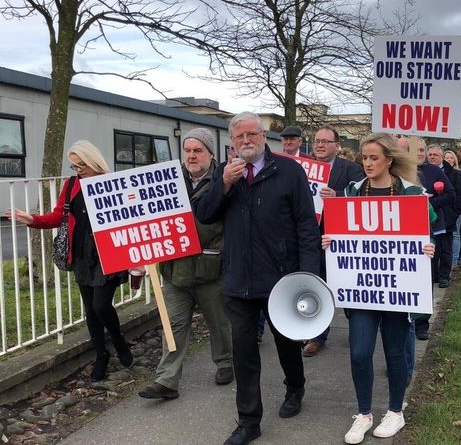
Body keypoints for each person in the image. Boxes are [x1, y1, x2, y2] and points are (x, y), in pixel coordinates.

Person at [195, 112, 320, 445]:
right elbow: (204, 215)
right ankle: (249, 422)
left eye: (251, 134)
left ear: (264, 137)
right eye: (238, 137)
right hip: (239, 278)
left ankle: (295, 388)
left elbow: (307, 225)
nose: (245, 140)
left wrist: (308, 274)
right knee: (244, 351)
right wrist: (224, 185)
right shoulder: (225, 173)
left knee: (286, 343)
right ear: (231, 142)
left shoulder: (289, 170)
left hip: (281, 279)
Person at [321, 132, 435, 444]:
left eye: (374, 157)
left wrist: (429, 247)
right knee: (359, 352)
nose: (367, 163)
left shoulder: (413, 193)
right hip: (362, 291)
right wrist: (330, 241)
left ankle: (396, 411)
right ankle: (364, 414)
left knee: (395, 353)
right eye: (364, 158)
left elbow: (428, 231)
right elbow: (339, 229)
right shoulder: (352, 191)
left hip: (398, 290)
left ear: (389, 159)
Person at [6, 141, 132, 381]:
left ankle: (118, 340)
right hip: (82, 252)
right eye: (74, 166)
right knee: (91, 310)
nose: (78, 170)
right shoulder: (72, 184)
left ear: (93, 160)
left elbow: (129, 218)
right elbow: (58, 216)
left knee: (101, 305)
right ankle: (101, 355)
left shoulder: (112, 182)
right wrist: (32, 219)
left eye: (81, 165)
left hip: (108, 252)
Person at [138, 129, 234, 401]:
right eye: (188, 150)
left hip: (211, 268)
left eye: (198, 150)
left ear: (211, 154)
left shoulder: (224, 180)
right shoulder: (167, 180)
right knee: (173, 326)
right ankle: (167, 380)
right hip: (175, 269)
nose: (192, 156)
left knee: (219, 323)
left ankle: (225, 362)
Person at [303, 125, 365, 358]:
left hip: (341, 240)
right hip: (311, 237)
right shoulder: (304, 169)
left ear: (337, 146)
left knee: (345, 285)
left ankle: (358, 329)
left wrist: (337, 195)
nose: (319, 145)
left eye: (325, 141)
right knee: (318, 286)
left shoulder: (351, 169)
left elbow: (362, 196)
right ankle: (318, 335)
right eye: (317, 141)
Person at [398, 137, 454, 340]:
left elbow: (451, 195)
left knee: (425, 277)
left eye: (422, 149)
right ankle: (403, 318)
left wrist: (428, 202)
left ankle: (422, 322)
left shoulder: (434, 170)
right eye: (415, 150)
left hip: (429, 231)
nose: (420, 153)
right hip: (402, 234)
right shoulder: (397, 171)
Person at [426, 145, 461, 286]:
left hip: (447, 216)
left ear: (442, 157)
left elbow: (458, 195)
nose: (432, 157)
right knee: (433, 248)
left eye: (435, 154)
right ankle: (434, 274)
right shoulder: (423, 172)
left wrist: (454, 214)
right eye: (430, 154)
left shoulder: (452, 173)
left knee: (445, 248)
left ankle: (444, 276)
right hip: (430, 218)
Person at [444, 148, 461, 267]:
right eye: (446, 157)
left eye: (451, 158)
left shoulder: (458, 173)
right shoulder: (440, 173)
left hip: (456, 209)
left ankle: (454, 261)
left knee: (455, 234)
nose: (449, 160)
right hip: (444, 209)